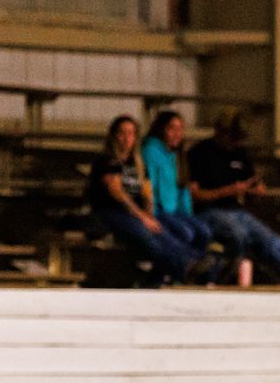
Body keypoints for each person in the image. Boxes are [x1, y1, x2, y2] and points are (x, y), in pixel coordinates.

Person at [186, 108, 280, 286]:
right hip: (209, 210)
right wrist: (228, 191)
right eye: (233, 137)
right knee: (238, 234)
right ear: (221, 131)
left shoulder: (239, 153)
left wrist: (255, 190)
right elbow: (195, 195)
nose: (236, 142)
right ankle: (226, 276)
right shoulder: (199, 153)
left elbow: (250, 181)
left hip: (236, 211)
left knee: (268, 237)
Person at [86, 114, 218, 287]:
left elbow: (147, 192)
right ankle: (185, 267)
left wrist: (149, 214)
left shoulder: (137, 162)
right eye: (122, 133)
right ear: (113, 136)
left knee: (163, 234)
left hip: (135, 213)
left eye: (131, 133)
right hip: (113, 212)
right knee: (148, 238)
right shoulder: (107, 160)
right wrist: (143, 217)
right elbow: (118, 194)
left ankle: (202, 264)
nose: (126, 138)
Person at [139, 109, 215, 258]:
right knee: (185, 233)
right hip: (158, 211)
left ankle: (200, 272)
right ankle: (182, 271)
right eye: (171, 128)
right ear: (161, 129)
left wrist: (188, 215)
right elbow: (149, 186)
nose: (176, 134)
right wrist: (151, 214)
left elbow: (183, 189)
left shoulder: (176, 154)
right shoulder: (150, 151)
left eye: (180, 129)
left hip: (175, 211)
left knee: (204, 231)